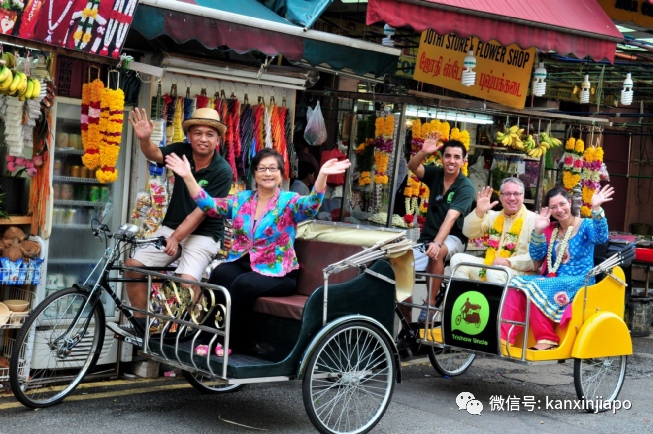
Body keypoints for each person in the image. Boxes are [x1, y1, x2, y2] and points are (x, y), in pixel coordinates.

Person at [165, 148, 350, 355]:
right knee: (220, 273)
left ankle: (232, 341)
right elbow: (210, 206)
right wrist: (188, 176)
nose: (267, 173)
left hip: (280, 272)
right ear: (254, 174)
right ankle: (209, 337)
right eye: (262, 168)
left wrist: (322, 176)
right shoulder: (242, 199)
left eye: (273, 168)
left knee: (244, 284)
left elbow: (311, 206)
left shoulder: (289, 201)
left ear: (281, 174)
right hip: (245, 263)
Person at [107, 107, 233, 344]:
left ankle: (200, 332)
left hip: (204, 233)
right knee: (133, 266)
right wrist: (144, 138)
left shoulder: (222, 170)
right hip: (173, 226)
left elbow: (201, 212)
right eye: (197, 133)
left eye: (209, 134)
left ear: (218, 139)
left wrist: (175, 238)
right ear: (190, 135)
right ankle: (143, 325)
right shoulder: (181, 150)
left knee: (185, 282)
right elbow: (154, 154)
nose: (203, 139)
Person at [501, 185, 613, 350]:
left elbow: (601, 236)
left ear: (569, 202)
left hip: (580, 280)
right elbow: (537, 255)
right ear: (549, 210)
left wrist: (596, 208)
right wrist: (538, 230)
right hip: (553, 279)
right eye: (553, 207)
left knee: (536, 286)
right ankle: (506, 336)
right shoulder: (550, 228)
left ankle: (547, 339)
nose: (559, 210)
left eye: (562, 204)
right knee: (515, 283)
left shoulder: (585, 225)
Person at [407, 131, 474, 323]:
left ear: (463, 160)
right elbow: (412, 166)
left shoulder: (465, 186)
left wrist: (437, 242)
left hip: (454, 238)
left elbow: (451, 217)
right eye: (447, 156)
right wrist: (423, 152)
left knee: (438, 251)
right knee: (397, 268)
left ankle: (430, 303)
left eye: (456, 157)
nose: (451, 161)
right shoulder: (436, 174)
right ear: (442, 158)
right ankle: (407, 324)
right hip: (427, 238)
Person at [450, 178, 538, 284]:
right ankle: (466, 297)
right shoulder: (493, 216)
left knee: (494, 272)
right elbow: (468, 232)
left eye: (516, 194)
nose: (512, 198)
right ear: (501, 197)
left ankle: (494, 300)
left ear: (523, 197)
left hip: (519, 273)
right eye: (507, 194)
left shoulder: (534, 220)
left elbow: (535, 259)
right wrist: (479, 212)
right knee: (457, 260)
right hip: (491, 265)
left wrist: (508, 262)